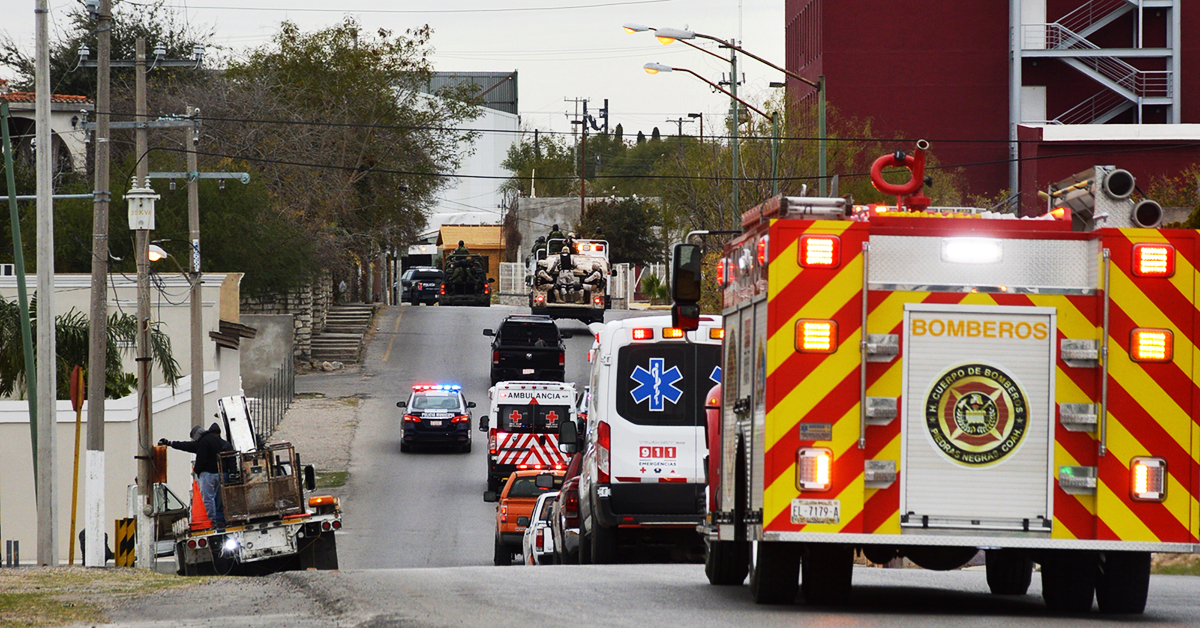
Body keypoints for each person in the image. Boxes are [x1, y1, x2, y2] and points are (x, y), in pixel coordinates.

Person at [159, 423, 232, 529]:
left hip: (209, 475)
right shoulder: (217, 441)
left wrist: (196, 471)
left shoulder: (203, 442)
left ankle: (213, 521)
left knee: (208, 498)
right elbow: (187, 445)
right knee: (219, 499)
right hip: (222, 474)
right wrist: (171, 443)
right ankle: (221, 520)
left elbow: (201, 458)